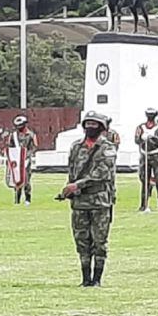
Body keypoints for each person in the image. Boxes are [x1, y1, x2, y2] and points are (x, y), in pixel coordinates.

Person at [60, 111, 118, 287]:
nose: (90, 127)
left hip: (100, 201)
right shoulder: (76, 146)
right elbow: (72, 171)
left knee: (99, 241)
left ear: (101, 127)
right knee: (82, 241)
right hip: (80, 203)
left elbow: (102, 173)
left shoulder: (107, 148)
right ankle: (85, 278)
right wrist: (69, 189)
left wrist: (77, 185)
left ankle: (97, 278)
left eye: (94, 124)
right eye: (87, 124)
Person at [134, 108, 158, 212]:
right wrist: (142, 138)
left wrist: (153, 138)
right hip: (144, 155)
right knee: (144, 180)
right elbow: (136, 139)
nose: (150, 116)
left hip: (156, 155)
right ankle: (143, 204)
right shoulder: (141, 127)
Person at [11, 115, 38, 205]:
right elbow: (10, 147)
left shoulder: (31, 135)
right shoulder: (13, 135)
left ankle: (27, 199)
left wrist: (26, 156)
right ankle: (17, 200)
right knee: (17, 180)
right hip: (16, 160)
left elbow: (33, 147)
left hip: (26, 160)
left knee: (26, 180)